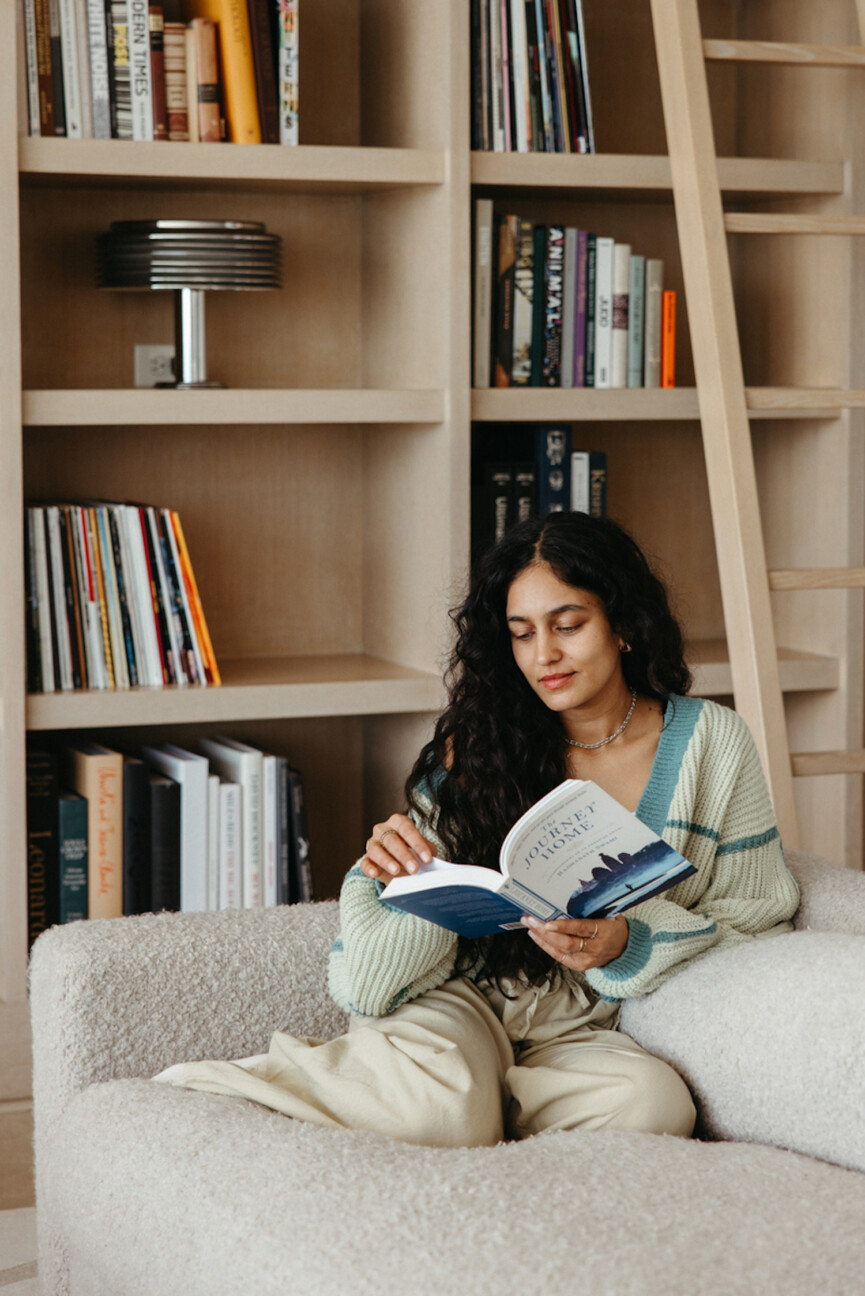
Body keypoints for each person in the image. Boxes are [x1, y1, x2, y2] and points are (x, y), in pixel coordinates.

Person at [156, 512, 800, 1147]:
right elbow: (368, 982)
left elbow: (760, 914)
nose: (544, 655)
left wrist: (629, 940)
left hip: (581, 1030)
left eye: (567, 626)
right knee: (440, 1110)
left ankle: (476, 1115)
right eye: (521, 634)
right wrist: (396, 869)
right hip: (457, 999)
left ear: (625, 625)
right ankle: (230, 1087)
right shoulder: (482, 745)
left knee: (652, 1106)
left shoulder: (712, 743)